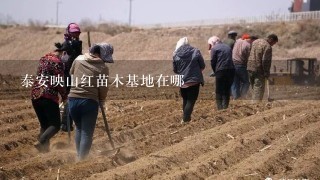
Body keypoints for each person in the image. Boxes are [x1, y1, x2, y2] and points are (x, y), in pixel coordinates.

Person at [68, 43, 113, 160]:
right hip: (89, 101)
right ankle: (82, 160)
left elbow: (71, 73)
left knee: (79, 128)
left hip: (72, 99)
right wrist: (102, 100)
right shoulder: (103, 67)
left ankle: (79, 156)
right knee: (86, 132)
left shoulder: (78, 59)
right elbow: (103, 88)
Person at [31, 43, 68, 153]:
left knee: (45, 125)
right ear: (63, 53)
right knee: (55, 125)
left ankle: (44, 151)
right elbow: (59, 82)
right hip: (48, 95)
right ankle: (40, 141)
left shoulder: (43, 59)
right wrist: (64, 96)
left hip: (35, 94)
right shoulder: (58, 63)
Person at [173, 37, 205, 124]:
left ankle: (186, 118)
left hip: (182, 81)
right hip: (194, 80)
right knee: (191, 101)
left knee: (186, 100)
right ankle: (186, 119)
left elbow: (175, 70)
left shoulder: (175, 54)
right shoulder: (195, 51)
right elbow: (202, 65)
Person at [60, 23, 83, 132]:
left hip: (69, 75)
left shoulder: (70, 44)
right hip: (70, 76)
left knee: (70, 99)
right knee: (71, 98)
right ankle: (66, 123)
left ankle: (67, 122)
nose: (76, 35)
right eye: (74, 33)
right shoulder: (71, 44)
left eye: (77, 33)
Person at [247, 34, 278, 102]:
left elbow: (249, 52)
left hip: (249, 67)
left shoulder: (255, 41)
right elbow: (266, 62)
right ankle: (256, 106)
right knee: (258, 89)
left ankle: (252, 103)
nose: (273, 45)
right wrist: (266, 73)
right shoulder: (267, 46)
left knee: (254, 88)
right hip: (258, 70)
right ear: (271, 40)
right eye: (274, 43)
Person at [209, 36, 235, 110]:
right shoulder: (227, 47)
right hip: (231, 70)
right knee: (227, 89)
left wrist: (215, 71)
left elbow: (212, 61)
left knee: (219, 90)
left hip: (221, 71)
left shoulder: (214, 48)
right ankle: (225, 107)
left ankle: (220, 108)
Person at [231, 34, 258, 100]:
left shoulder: (238, 41)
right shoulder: (248, 46)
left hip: (232, 64)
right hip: (241, 65)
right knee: (246, 82)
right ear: (252, 40)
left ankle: (236, 97)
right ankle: (242, 96)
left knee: (235, 82)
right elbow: (249, 58)